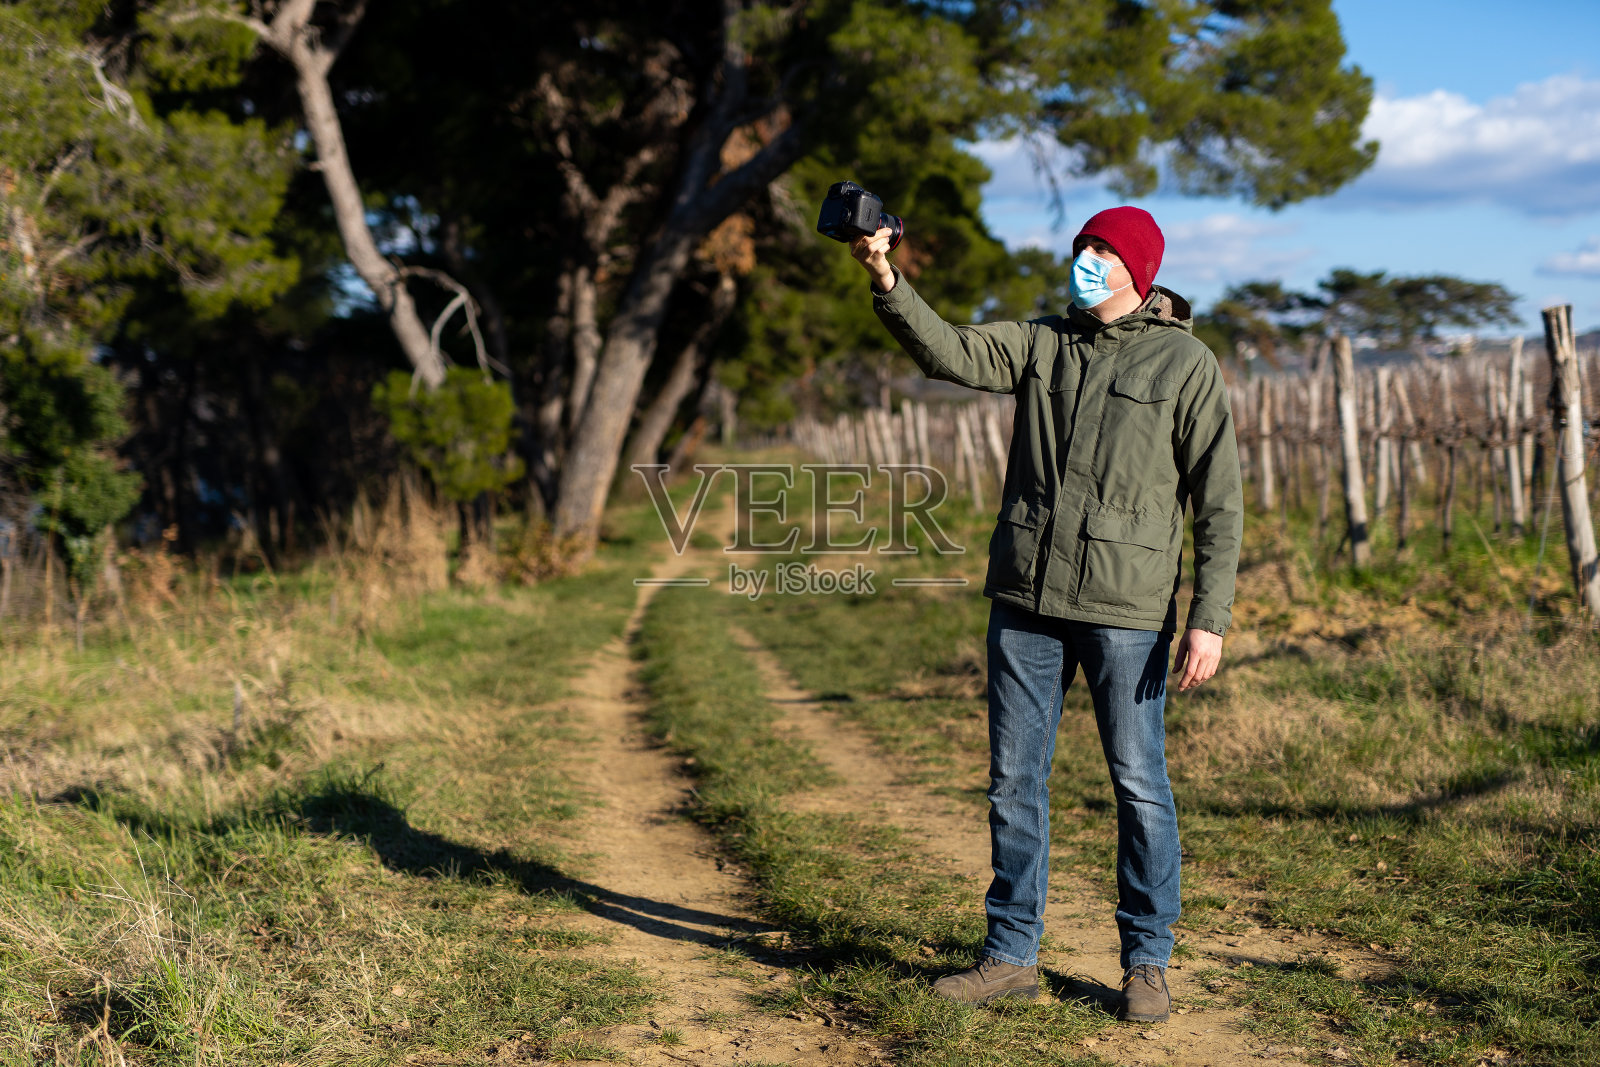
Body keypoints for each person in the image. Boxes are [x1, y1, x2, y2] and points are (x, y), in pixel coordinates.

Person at [849, 206, 1241, 1023]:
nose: (1087, 260)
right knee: (1013, 781)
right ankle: (1010, 953)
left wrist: (1209, 615)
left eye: (1103, 250)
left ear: (1139, 267)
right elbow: (949, 349)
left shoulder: (1185, 363)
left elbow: (1219, 501)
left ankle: (1147, 962)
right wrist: (886, 278)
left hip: (1127, 609)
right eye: (1083, 247)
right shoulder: (1041, 342)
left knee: (1139, 784)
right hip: (1026, 598)